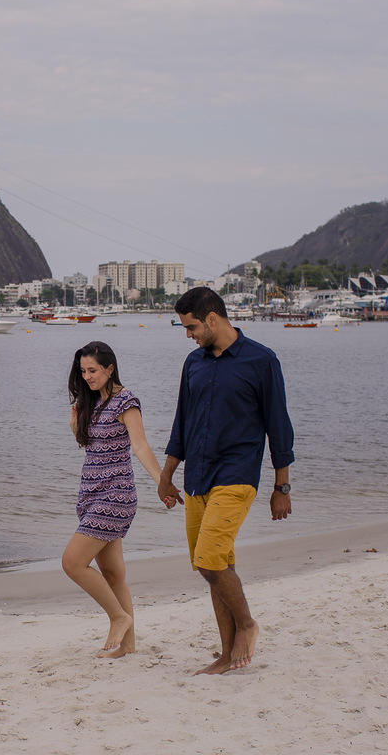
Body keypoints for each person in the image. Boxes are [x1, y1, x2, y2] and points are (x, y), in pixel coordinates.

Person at [157, 286, 294, 675]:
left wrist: (281, 487)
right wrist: (166, 475)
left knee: (209, 559)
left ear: (213, 318)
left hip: (237, 474)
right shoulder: (193, 363)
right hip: (197, 477)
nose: (189, 335)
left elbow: (279, 427)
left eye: (192, 327)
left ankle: (247, 625)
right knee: (213, 565)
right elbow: (182, 423)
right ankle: (226, 653)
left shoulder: (261, 361)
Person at [63, 341, 163, 659]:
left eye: (92, 370)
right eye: (83, 371)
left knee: (72, 563)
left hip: (115, 495)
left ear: (110, 368)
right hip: (91, 494)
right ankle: (128, 646)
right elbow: (92, 448)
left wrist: (163, 482)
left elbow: (141, 446)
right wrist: (75, 427)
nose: (87, 377)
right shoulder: (92, 402)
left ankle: (118, 618)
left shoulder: (126, 402)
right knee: (114, 575)